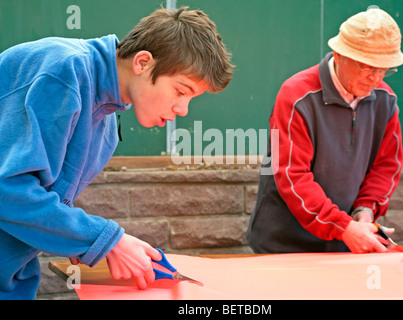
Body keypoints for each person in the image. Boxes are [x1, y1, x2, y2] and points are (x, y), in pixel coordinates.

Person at [0, 6, 233, 299]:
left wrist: (84, 239)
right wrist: (106, 239)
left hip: (14, 277)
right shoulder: (64, 72)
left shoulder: (107, 125)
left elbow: (41, 198)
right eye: (181, 91)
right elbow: (7, 190)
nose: (182, 110)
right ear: (143, 62)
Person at [247, 8, 403, 254]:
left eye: (384, 69)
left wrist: (364, 211)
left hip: (345, 242)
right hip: (283, 245)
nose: (375, 78)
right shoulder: (296, 95)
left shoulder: (387, 100)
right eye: (367, 66)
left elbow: (386, 166)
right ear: (340, 55)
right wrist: (342, 227)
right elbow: (292, 175)